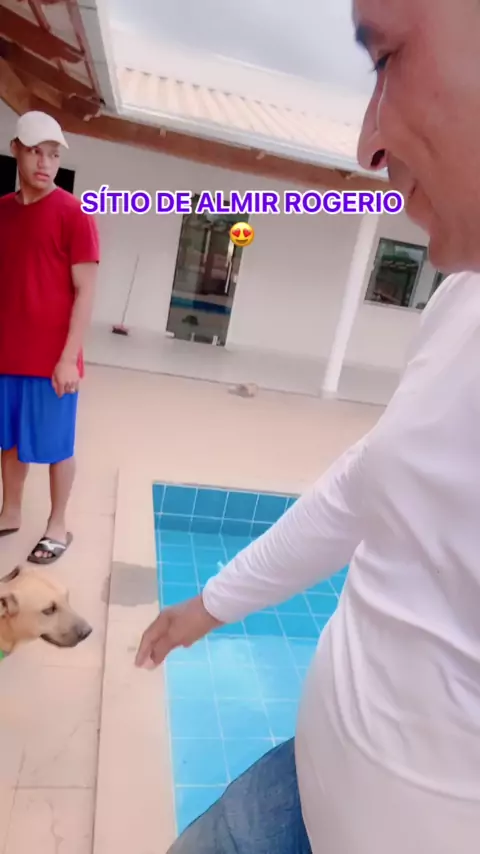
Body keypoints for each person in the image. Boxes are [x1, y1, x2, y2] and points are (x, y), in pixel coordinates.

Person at [135, 0, 480, 851]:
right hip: (289, 792)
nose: (367, 144)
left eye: (386, 57)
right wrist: (211, 605)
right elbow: (366, 482)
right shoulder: (462, 299)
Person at [0, 110, 100, 564]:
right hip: (7, 352)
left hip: (52, 360)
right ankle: (10, 510)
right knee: (10, 441)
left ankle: (57, 524)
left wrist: (68, 358)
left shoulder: (74, 214)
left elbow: (85, 291)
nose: (45, 163)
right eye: (36, 152)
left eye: (53, 154)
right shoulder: (3, 212)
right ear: (15, 150)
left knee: (58, 446)